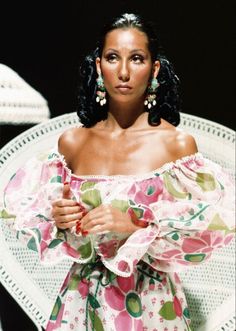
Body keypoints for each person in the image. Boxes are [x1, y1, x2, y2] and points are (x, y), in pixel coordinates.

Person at [3, 13, 235, 331]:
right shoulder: (72, 143)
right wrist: (60, 219)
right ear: (99, 66)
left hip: (152, 303)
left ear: (154, 70)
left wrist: (135, 226)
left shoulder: (176, 146)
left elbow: (209, 228)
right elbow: (37, 219)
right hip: (81, 300)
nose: (124, 72)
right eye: (113, 57)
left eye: (136, 58)